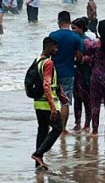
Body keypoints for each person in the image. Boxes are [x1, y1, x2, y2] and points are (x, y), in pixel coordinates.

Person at [31, 37, 68, 169]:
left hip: (38, 104)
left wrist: (61, 94)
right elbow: (46, 85)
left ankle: (38, 162)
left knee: (42, 130)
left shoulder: (37, 60)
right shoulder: (48, 63)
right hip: (47, 104)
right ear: (48, 47)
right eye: (55, 47)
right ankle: (38, 153)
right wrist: (53, 107)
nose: (56, 50)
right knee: (58, 128)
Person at [49, 11, 84, 133]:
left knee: (53, 99)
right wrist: (76, 62)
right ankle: (62, 129)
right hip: (68, 72)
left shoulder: (53, 35)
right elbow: (79, 56)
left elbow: (48, 54)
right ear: (69, 22)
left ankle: (53, 128)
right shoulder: (76, 37)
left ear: (59, 21)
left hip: (54, 72)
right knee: (65, 101)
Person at [70, 18, 94, 132]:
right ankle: (77, 122)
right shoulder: (73, 39)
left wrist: (82, 59)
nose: (72, 31)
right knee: (77, 98)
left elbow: (93, 57)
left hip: (85, 72)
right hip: (75, 72)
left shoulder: (87, 41)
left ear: (81, 29)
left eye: (74, 28)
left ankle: (87, 123)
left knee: (87, 98)